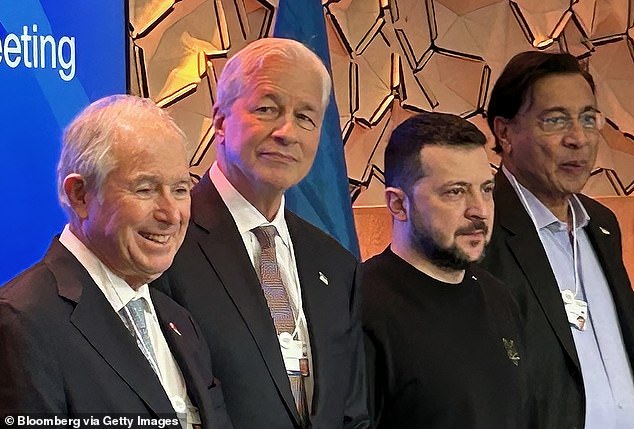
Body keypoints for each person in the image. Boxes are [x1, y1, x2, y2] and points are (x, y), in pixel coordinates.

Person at [154, 38, 370, 429]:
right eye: (267, 109)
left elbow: (352, 412)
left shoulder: (336, 265)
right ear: (220, 121)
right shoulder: (164, 245)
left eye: (306, 117)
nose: (288, 132)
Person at [0, 95, 232, 429]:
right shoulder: (21, 322)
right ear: (81, 195)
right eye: (145, 189)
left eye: (181, 189)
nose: (171, 215)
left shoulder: (179, 321)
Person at [482, 51, 634, 428]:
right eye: (555, 120)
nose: (578, 138)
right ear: (505, 132)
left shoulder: (602, 224)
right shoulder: (481, 229)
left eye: (588, 119)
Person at [362, 111, 526, 429]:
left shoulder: (498, 295)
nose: (479, 210)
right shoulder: (361, 307)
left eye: (487, 189)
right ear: (398, 204)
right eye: (455, 191)